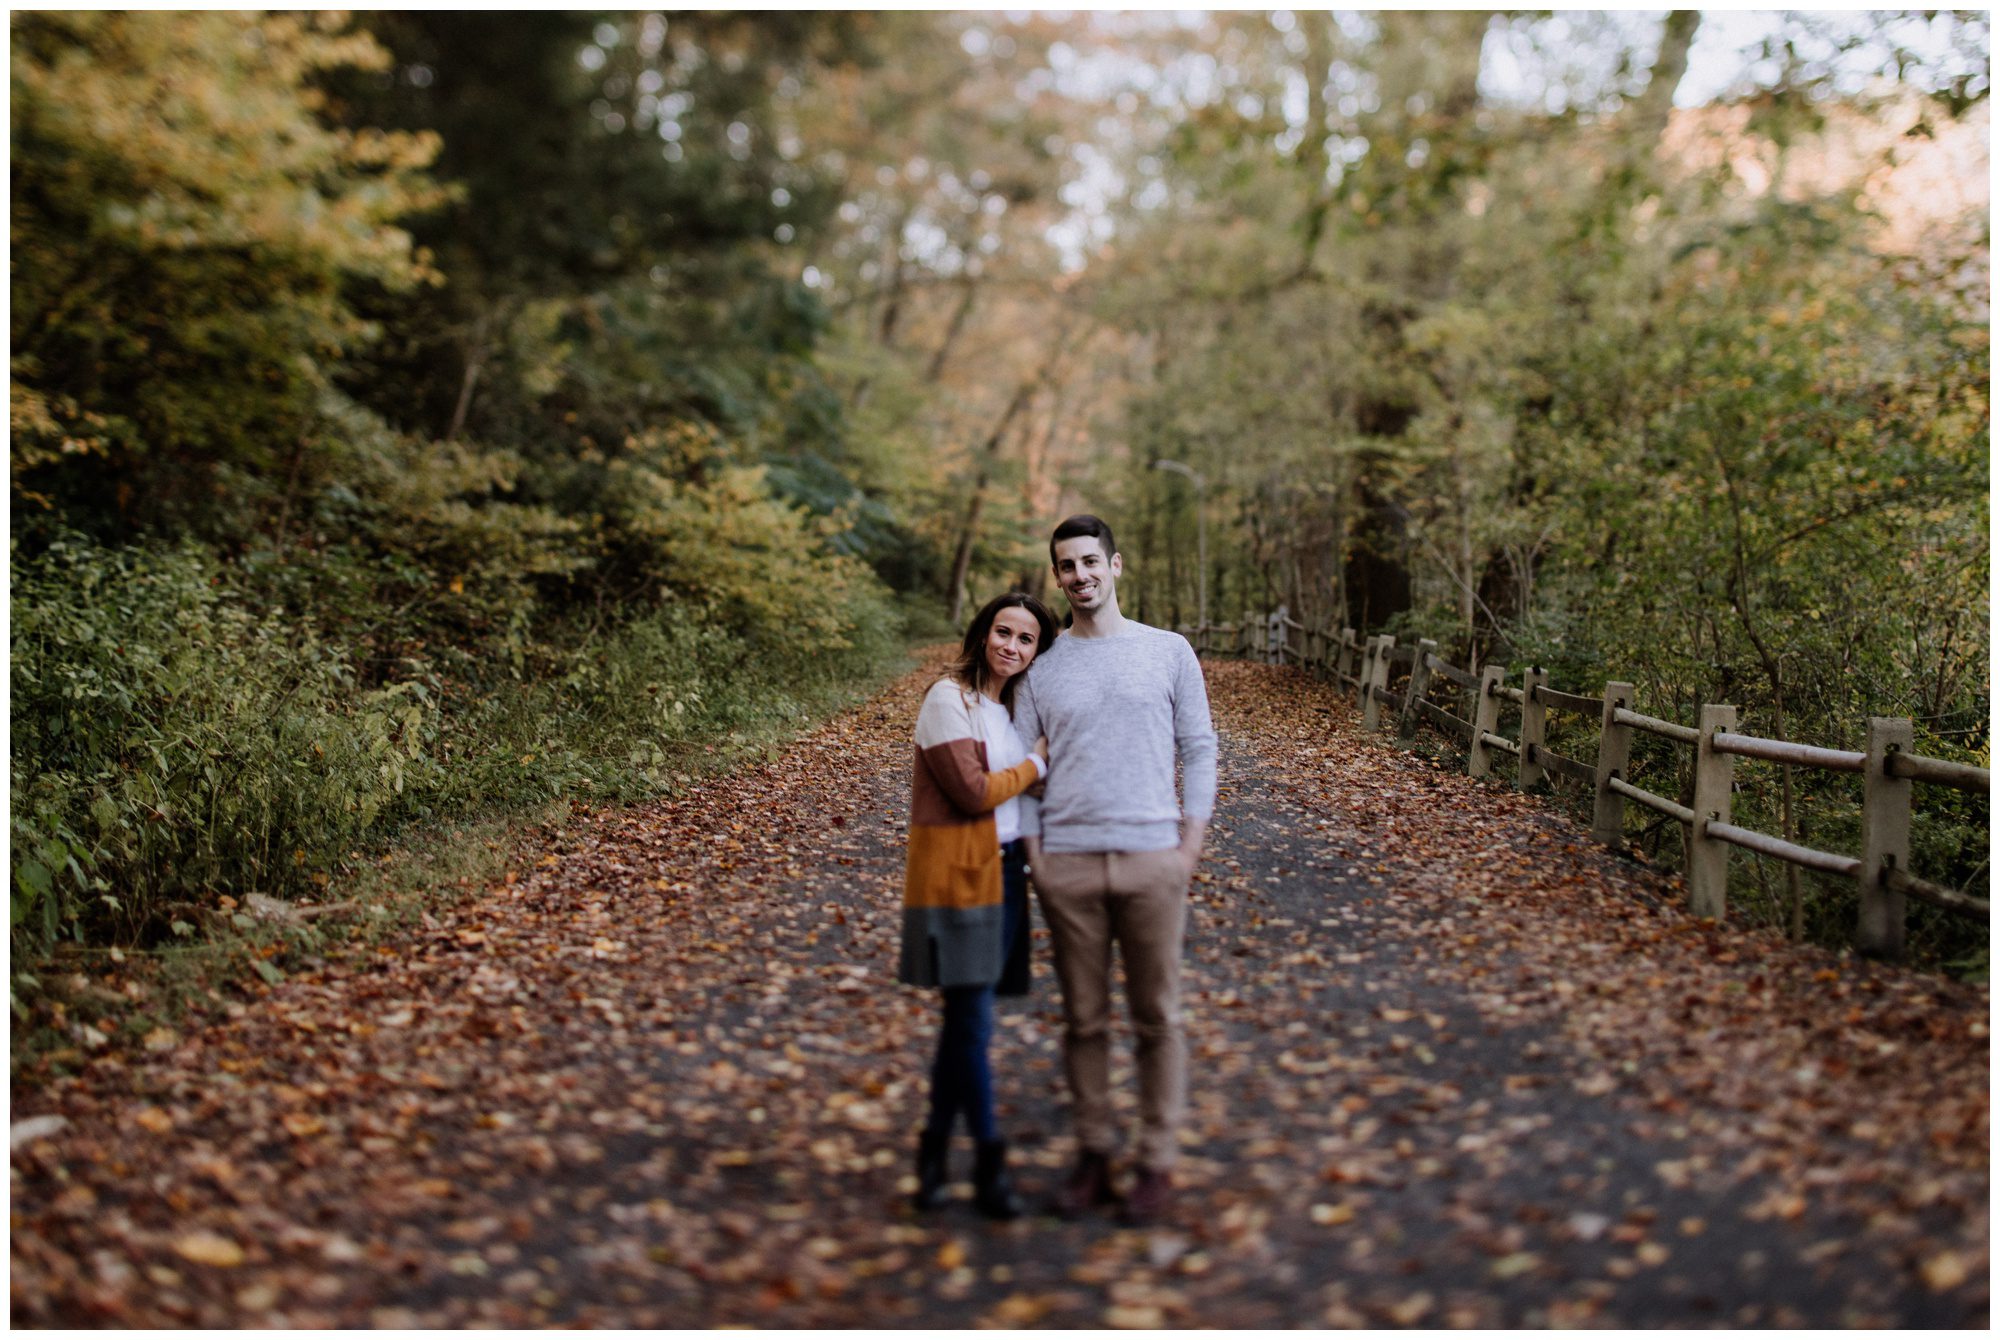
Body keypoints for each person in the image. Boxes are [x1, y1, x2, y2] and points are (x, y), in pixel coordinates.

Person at [1013, 514, 1217, 1226]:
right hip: (1067, 866)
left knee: (1158, 1017)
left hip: (1153, 861)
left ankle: (1156, 1160)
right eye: (1067, 566)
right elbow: (1019, 771)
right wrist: (1036, 857)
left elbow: (1200, 747)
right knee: (1084, 1020)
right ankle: (1094, 1154)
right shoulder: (1041, 667)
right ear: (1058, 576)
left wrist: (1189, 843)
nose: (1080, 576)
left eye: (1090, 561)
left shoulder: (1168, 652)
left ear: (1116, 565)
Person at [898, 591, 1059, 1219]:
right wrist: (1034, 765)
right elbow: (970, 793)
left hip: (1007, 873)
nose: (1010, 646)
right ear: (981, 632)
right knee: (972, 1025)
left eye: (1025, 639)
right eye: (1003, 632)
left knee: (963, 1027)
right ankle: (990, 1162)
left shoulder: (1011, 709)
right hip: (958, 877)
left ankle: (933, 1158)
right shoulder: (949, 700)